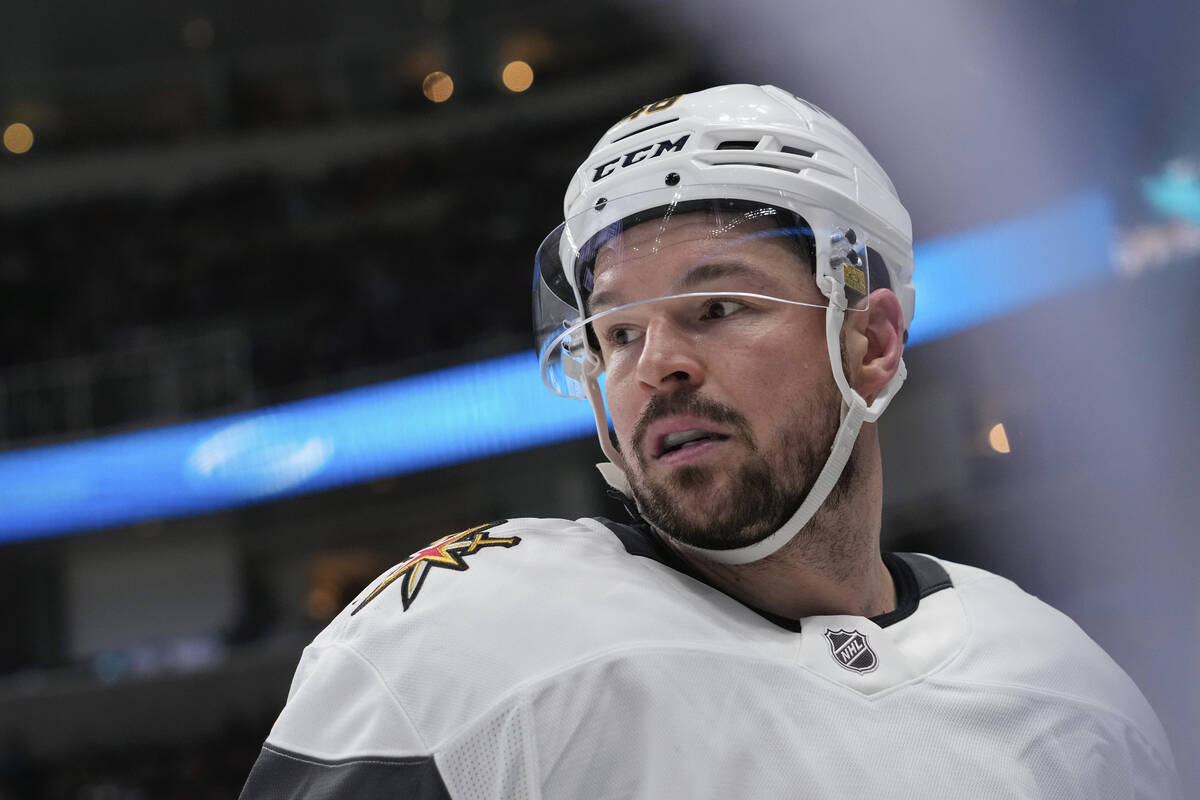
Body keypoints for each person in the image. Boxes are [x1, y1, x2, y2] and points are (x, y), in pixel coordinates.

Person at [240, 84, 1181, 798]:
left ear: (872, 341)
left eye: (717, 307)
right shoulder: (467, 647)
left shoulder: (1064, 690)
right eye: (616, 332)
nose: (655, 366)